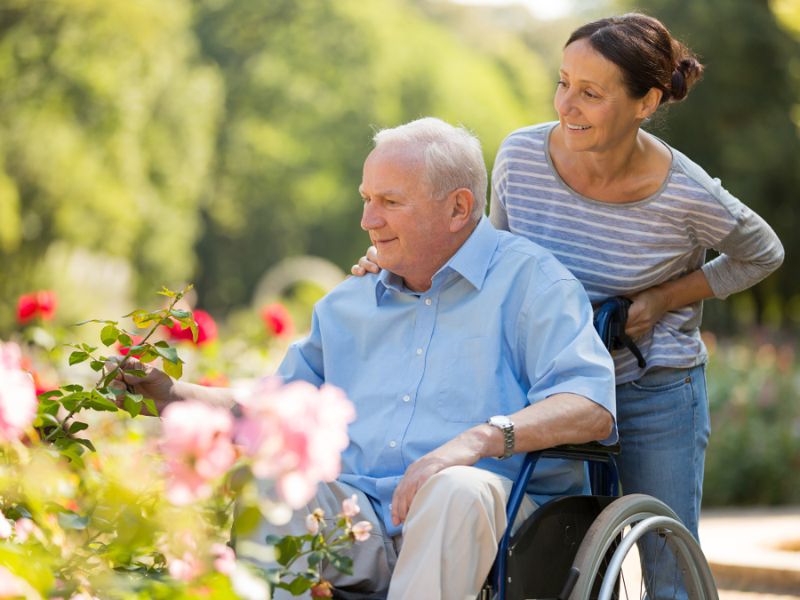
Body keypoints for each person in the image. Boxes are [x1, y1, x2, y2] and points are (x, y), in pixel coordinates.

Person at [351, 12, 784, 600]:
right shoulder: (522, 157)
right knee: (536, 549)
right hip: (542, 379)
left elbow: (763, 253)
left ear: (646, 101)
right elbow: (486, 253)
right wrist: (395, 255)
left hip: (648, 380)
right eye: (562, 83)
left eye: (590, 93)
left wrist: (663, 299)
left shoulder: (686, 192)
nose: (566, 105)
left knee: (666, 568)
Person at [123, 117, 616, 599]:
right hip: (361, 521)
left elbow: (590, 405)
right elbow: (276, 409)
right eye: (367, 200)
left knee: (456, 488)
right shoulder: (347, 304)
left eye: (390, 202)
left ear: (458, 208)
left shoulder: (533, 284)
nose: (368, 220)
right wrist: (173, 394)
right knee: (269, 480)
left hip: (498, 529)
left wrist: (476, 441)